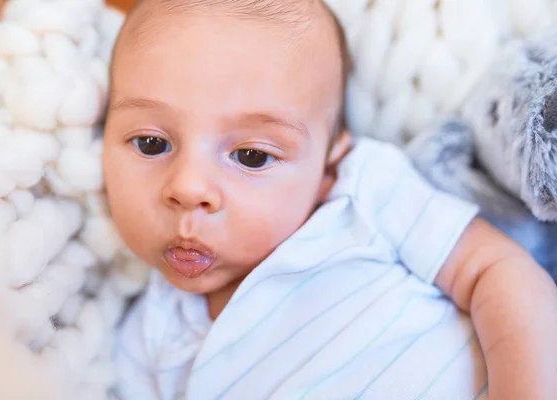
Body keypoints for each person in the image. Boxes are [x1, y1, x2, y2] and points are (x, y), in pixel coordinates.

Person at [103, 0, 557, 398]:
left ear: (327, 165)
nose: (187, 188)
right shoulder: (147, 338)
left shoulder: (363, 192)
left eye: (251, 155)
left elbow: (496, 272)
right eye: (150, 144)